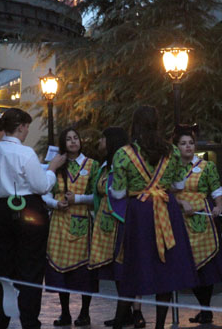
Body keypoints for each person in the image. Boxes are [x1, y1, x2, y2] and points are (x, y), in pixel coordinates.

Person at [110, 105, 198, 329]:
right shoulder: (172, 152)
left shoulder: (123, 154)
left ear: (135, 124)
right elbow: (178, 185)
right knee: (165, 268)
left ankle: (120, 323)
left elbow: (118, 192)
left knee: (134, 268)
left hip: (139, 214)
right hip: (166, 210)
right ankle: (160, 325)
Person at [0, 108, 66, 329]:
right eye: (27, 127)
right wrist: (52, 169)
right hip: (27, 207)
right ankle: (29, 320)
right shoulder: (25, 153)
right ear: (20, 127)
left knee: (4, 264)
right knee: (31, 266)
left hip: (1, 207)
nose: (28, 131)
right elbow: (41, 185)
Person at [89, 127, 146, 328]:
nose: (99, 142)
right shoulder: (104, 166)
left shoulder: (123, 164)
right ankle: (125, 313)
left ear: (111, 141)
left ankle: (130, 313)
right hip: (107, 223)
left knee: (125, 269)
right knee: (117, 272)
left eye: (103, 138)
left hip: (121, 221)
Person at [43, 128, 100, 327]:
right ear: (62, 143)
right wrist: (55, 204)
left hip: (83, 221)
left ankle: (85, 313)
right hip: (59, 221)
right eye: (68, 139)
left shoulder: (92, 165)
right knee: (60, 270)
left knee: (85, 271)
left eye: (76, 137)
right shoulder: (57, 165)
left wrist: (79, 198)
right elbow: (45, 192)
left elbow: (98, 196)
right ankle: (65, 312)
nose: (73, 141)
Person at [173, 124, 222, 324]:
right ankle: (203, 308)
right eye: (183, 143)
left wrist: (219, 207)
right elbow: (166, 192)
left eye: (190, 143)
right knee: (189, 265)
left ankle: (206, 309)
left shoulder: (207, 167)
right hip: (181, 220)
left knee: (206, 267)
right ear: (177, 146)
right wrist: (180, 202)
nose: (187, 147)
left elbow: (217, 190)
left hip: (204, 220)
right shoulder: (172, 167)